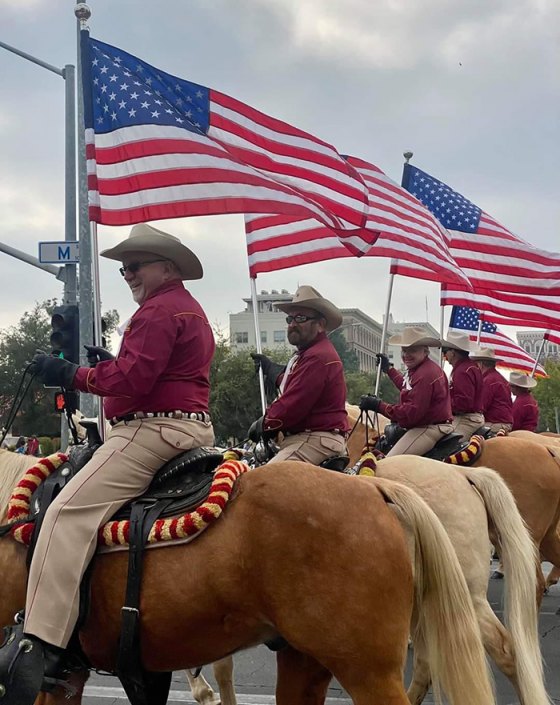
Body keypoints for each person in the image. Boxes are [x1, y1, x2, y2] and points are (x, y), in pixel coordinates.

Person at [9, 223, 215, 698]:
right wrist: (109, 366)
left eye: (136, 265)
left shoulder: (158, 310)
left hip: (151, 432)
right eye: (124, 267)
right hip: (184, 425)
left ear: (167, 267)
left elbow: (136, 379)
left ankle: (41, 646)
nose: (127, 273)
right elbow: (145, 370)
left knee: (63, 514)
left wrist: (73, 372)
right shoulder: (185, 309)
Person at [249, 285, 349, 465]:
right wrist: (271, 369)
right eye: (290, 319)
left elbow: (293, 404)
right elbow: (294, 383)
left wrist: (265, 422)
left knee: (262, 482)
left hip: (314, 439)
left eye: (301, 318)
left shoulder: (317, 357)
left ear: (321, 325)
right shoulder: (309, 355)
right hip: (310, 439)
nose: (293, 324)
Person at [360, 327, 453, 456]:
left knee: (389, 463)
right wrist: (389, 369)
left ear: (425, 351)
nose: (406, 355)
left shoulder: (425, 374)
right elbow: (407, 386)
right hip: (427, 425)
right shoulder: (420, 369)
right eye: (404, 350)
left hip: (428, 428)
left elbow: (411, 414)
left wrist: (379, 406)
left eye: (412, 350)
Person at [441, 331, 484, 441]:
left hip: (466, 419)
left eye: (445, 351)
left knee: (445, 445)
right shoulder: (470, 367)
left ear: (453, 353)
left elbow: (463, 404)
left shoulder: (462, 371)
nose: (444, 355)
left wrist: (442, 405)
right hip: (472, 417)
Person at [470, 348, 513, 434]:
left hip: (495, 424)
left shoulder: (488, 380)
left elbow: (482, 406)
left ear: (481, 364)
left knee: (466, 434)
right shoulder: (499, 378)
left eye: (475, 364)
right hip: (504, 423)